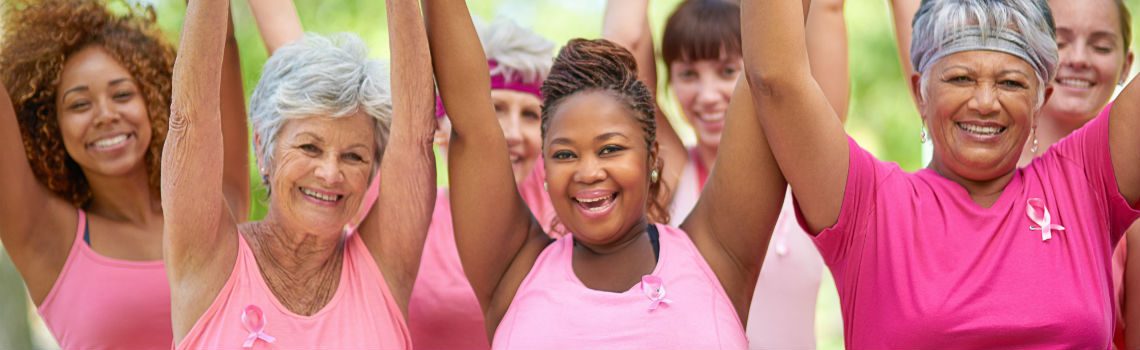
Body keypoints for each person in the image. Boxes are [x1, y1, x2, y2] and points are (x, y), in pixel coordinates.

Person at [745, 0, 1139, 347]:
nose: (985, 102)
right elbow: (776, 79)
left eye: (1010, 83)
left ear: (1040, 100)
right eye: (960, 78)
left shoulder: (1085, 182)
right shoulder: (868, 204)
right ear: (921, 92)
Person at [427, 0, 789, 347]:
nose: (588, 172)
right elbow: (470, 119)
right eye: (565, 154)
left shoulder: (716, 254)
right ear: (546, 171)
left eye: (610, 149)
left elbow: (770, 73)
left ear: (652, 159)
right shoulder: (514, 269)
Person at [163, 0, 436, 347]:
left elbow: (415, 134)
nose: (330, 172)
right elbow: (189, 121)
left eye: (353, 156)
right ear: (263, 147)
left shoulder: (384, 265)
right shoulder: (209, 257)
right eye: (309, 148)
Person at [0, 0, 247, 348]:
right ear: (50, 127)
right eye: (79, 104)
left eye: (122, 94)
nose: (105, 115)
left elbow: (218, 43)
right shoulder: (47, 238)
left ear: (155, 101)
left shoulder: (213, 208)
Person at [601, 0, 848, 347]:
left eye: (727, 70)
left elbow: (828, 8)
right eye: (688, 73)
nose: (708, 95)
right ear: (668, 80)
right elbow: (624, 46)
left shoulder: (806, 165)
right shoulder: (671, 171)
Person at [889, 0, 1137, 346]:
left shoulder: (1123, 204)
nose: (1078, 58)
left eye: (1100, 45)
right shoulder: (966, 165)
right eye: (1061, 42)